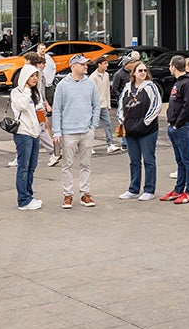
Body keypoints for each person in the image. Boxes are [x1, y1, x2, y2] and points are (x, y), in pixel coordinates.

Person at [51, 54, 99, 209]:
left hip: (86, 131)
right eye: (82, 64)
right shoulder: (62, 85)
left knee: (86, 164)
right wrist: (57, 131)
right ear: (73, 66)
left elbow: (96, 106)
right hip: (68, 132)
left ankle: (85, 193)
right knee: (67, 165)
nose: (86, 66)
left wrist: (93, 126)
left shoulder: (90, 84)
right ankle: (68, 195)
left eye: (86, 64)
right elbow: (57, 109)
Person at [117, 62, 162, 200]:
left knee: (149, 160)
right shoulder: (127, 88)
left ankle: (149, 189)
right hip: (130, 130)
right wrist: (122, 122)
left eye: (145, 70)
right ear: (134, 73)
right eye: (140, 70)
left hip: (147, 130)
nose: (143, 73)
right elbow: (120, 106)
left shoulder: (151, 87)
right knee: (134, 161)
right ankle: (133, 189)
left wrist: (144, 123)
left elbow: (156, 106)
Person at [161, 55, 189, 203]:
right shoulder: (178, 83)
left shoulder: (188, 83)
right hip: (175, 125)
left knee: (187, 160)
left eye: (170, 65)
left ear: (173, 67)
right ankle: (178, 189)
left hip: (183, 126)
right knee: (180, 160)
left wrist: (178, 124)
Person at [9, 64, 45, 211]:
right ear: (24, 77)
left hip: (35, 133)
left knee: (32, 167)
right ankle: (23, 200)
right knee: (23, 167)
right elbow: (22, 106)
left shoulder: (36, 92)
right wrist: (26, 90)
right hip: (23, 133)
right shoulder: (17, 92)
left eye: (36, 76)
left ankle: (29, 196)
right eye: (31, 76)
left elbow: (38, 110)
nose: (35, 78)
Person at [89, 58, 120, 154]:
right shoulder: (93, 77)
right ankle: (89, 146)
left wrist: (108, 104)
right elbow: (90, 93)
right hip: (95, 106)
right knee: (92, 126)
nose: (107, 65)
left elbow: (107, 90)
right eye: (105, 63)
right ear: (99, 64)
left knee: (108, 124)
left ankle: (110, 145)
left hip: (104, 105)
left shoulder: (106, 75)